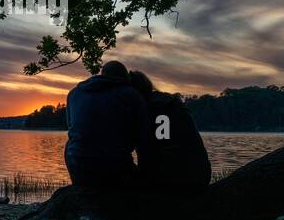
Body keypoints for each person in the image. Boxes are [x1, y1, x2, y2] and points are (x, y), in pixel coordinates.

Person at [63, 60, 149, 189]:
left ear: (103, 74)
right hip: (114, 169)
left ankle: (80, 187)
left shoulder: (74, 93)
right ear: (125, 78)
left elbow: (70, 128)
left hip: (78, 168)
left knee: (72, 142)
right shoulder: (131, 95)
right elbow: (144, 138)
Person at [129, 70, 211, 196]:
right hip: (201, 175)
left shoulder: (146, 110)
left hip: (172, 181)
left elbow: (148, 153)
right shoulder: (172, 103)